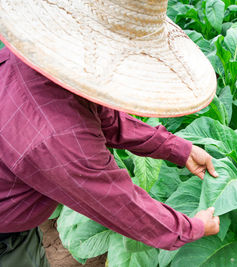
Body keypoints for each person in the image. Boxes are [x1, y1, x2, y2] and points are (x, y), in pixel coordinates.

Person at [0, 0, 220, 266]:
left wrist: (177, 148)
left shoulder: (42, 58)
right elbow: (118, 203)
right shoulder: (58, 137)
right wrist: (192, 227)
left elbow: (98, 115)